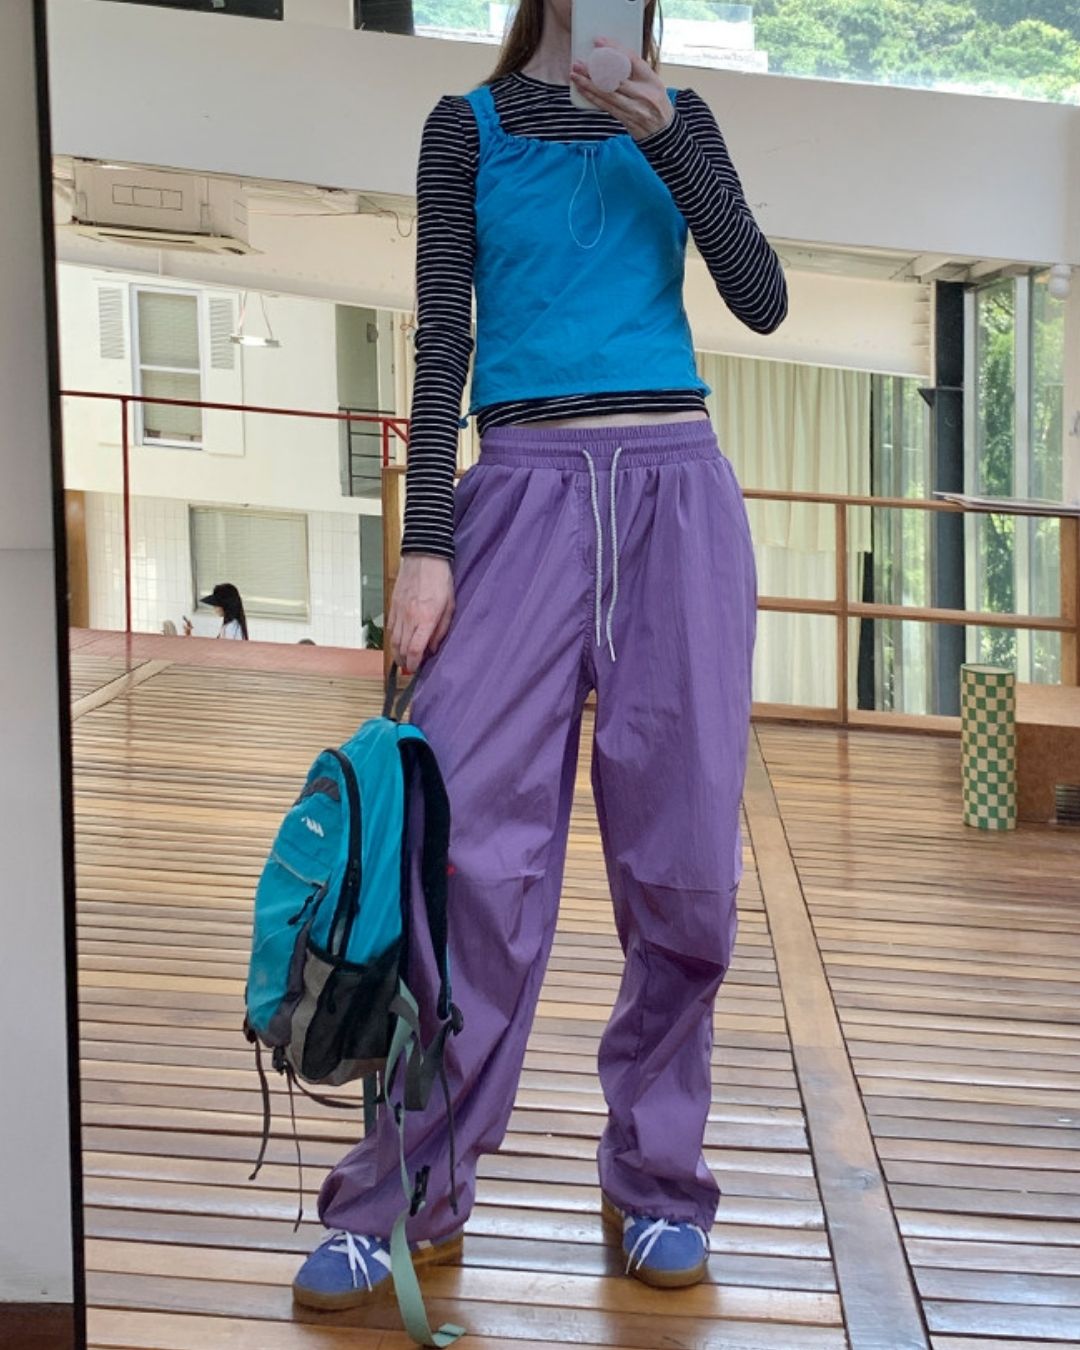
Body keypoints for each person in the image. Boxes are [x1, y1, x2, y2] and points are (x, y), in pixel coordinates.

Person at [292, 0, 787, 1310]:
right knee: (467, 859)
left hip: (677, 496)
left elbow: (762, 297)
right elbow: (442, 337)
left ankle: (656, 1179)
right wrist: (426, 543)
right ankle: (407, 1189)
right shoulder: (464, 128)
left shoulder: (687, 121)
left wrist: (668, 137)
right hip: (516, 497)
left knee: (685, 866)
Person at [184, 582, 248, 640]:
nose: (214, 608)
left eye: (216, 605)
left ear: (226, 606)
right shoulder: (234, 625)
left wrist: (189, 637)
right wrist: (189, 635)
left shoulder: (230, 628)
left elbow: (221, 648)